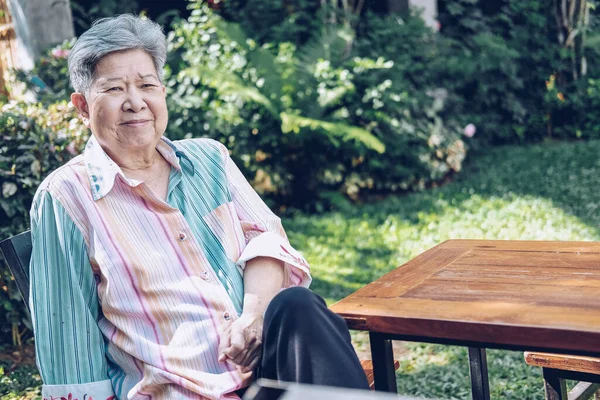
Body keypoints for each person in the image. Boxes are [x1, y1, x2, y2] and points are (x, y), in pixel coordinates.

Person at [29, 14, 369, 400]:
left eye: (147, 85)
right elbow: (67, 335)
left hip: (259, 375)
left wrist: (253, 317)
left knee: (299, 306)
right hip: (178, 392)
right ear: (82, 106)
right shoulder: (67, 196)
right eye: (114, 89)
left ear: (162, 93)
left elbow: (266, 242)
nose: (135, 102)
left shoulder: (209, 160)